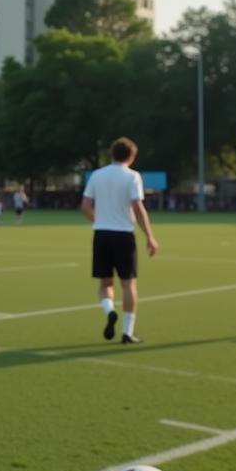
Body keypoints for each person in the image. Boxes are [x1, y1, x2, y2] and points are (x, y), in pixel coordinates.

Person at [80, 137, 159, 345]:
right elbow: (137, 207)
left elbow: (85, 206)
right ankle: (127, 332)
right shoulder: (132, 177)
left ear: (112, 154)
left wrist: (101, 220)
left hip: (101, 234)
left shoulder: (97, 175)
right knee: (128, 284)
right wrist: (150, 236)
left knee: (105, 282)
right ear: (131, 156)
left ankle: (109, 311)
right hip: (124, 234)